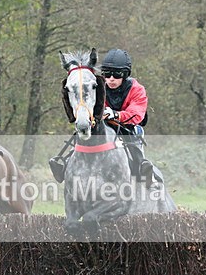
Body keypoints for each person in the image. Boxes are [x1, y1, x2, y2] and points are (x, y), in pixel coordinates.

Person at [49, 48, 155, 186]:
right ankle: (66, 162)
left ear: (125, 74)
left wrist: (117, 115)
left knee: (134, 138)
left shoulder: (136, 89)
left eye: (117, 74)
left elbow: (137, 112)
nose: (111, 79)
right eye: (107, 74)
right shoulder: (98, 85)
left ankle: (142, 168)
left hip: (128, 126)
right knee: (81, 134)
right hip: (102, 124)